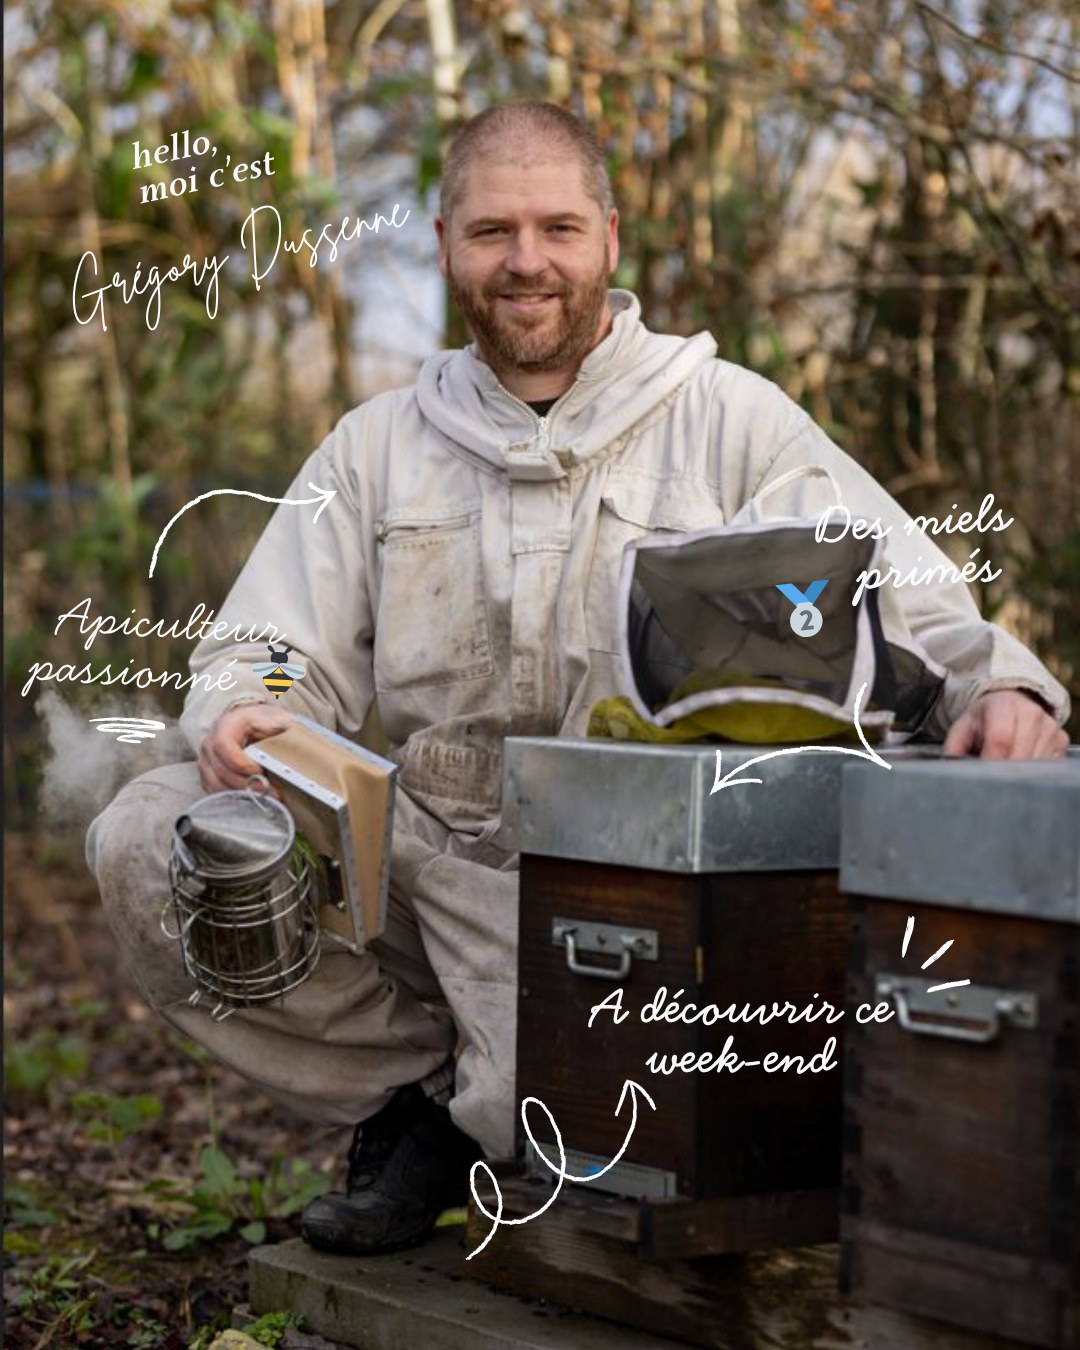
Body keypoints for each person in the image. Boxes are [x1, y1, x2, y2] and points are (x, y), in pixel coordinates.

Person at [87, 101, 1070, 1259]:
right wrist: (253, 705)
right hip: (416, 869)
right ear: (447, 241)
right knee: (154, 842)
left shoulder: (728, 421)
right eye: (493, 231)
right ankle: (417, 1099)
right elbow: (267, 642)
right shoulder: (376, 446)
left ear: (609, 236)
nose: (527, 261)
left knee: (595, 1152)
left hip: (624, 901)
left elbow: (909, 598)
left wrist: (1010, 692)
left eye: (558, 227)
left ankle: (485, 1105)